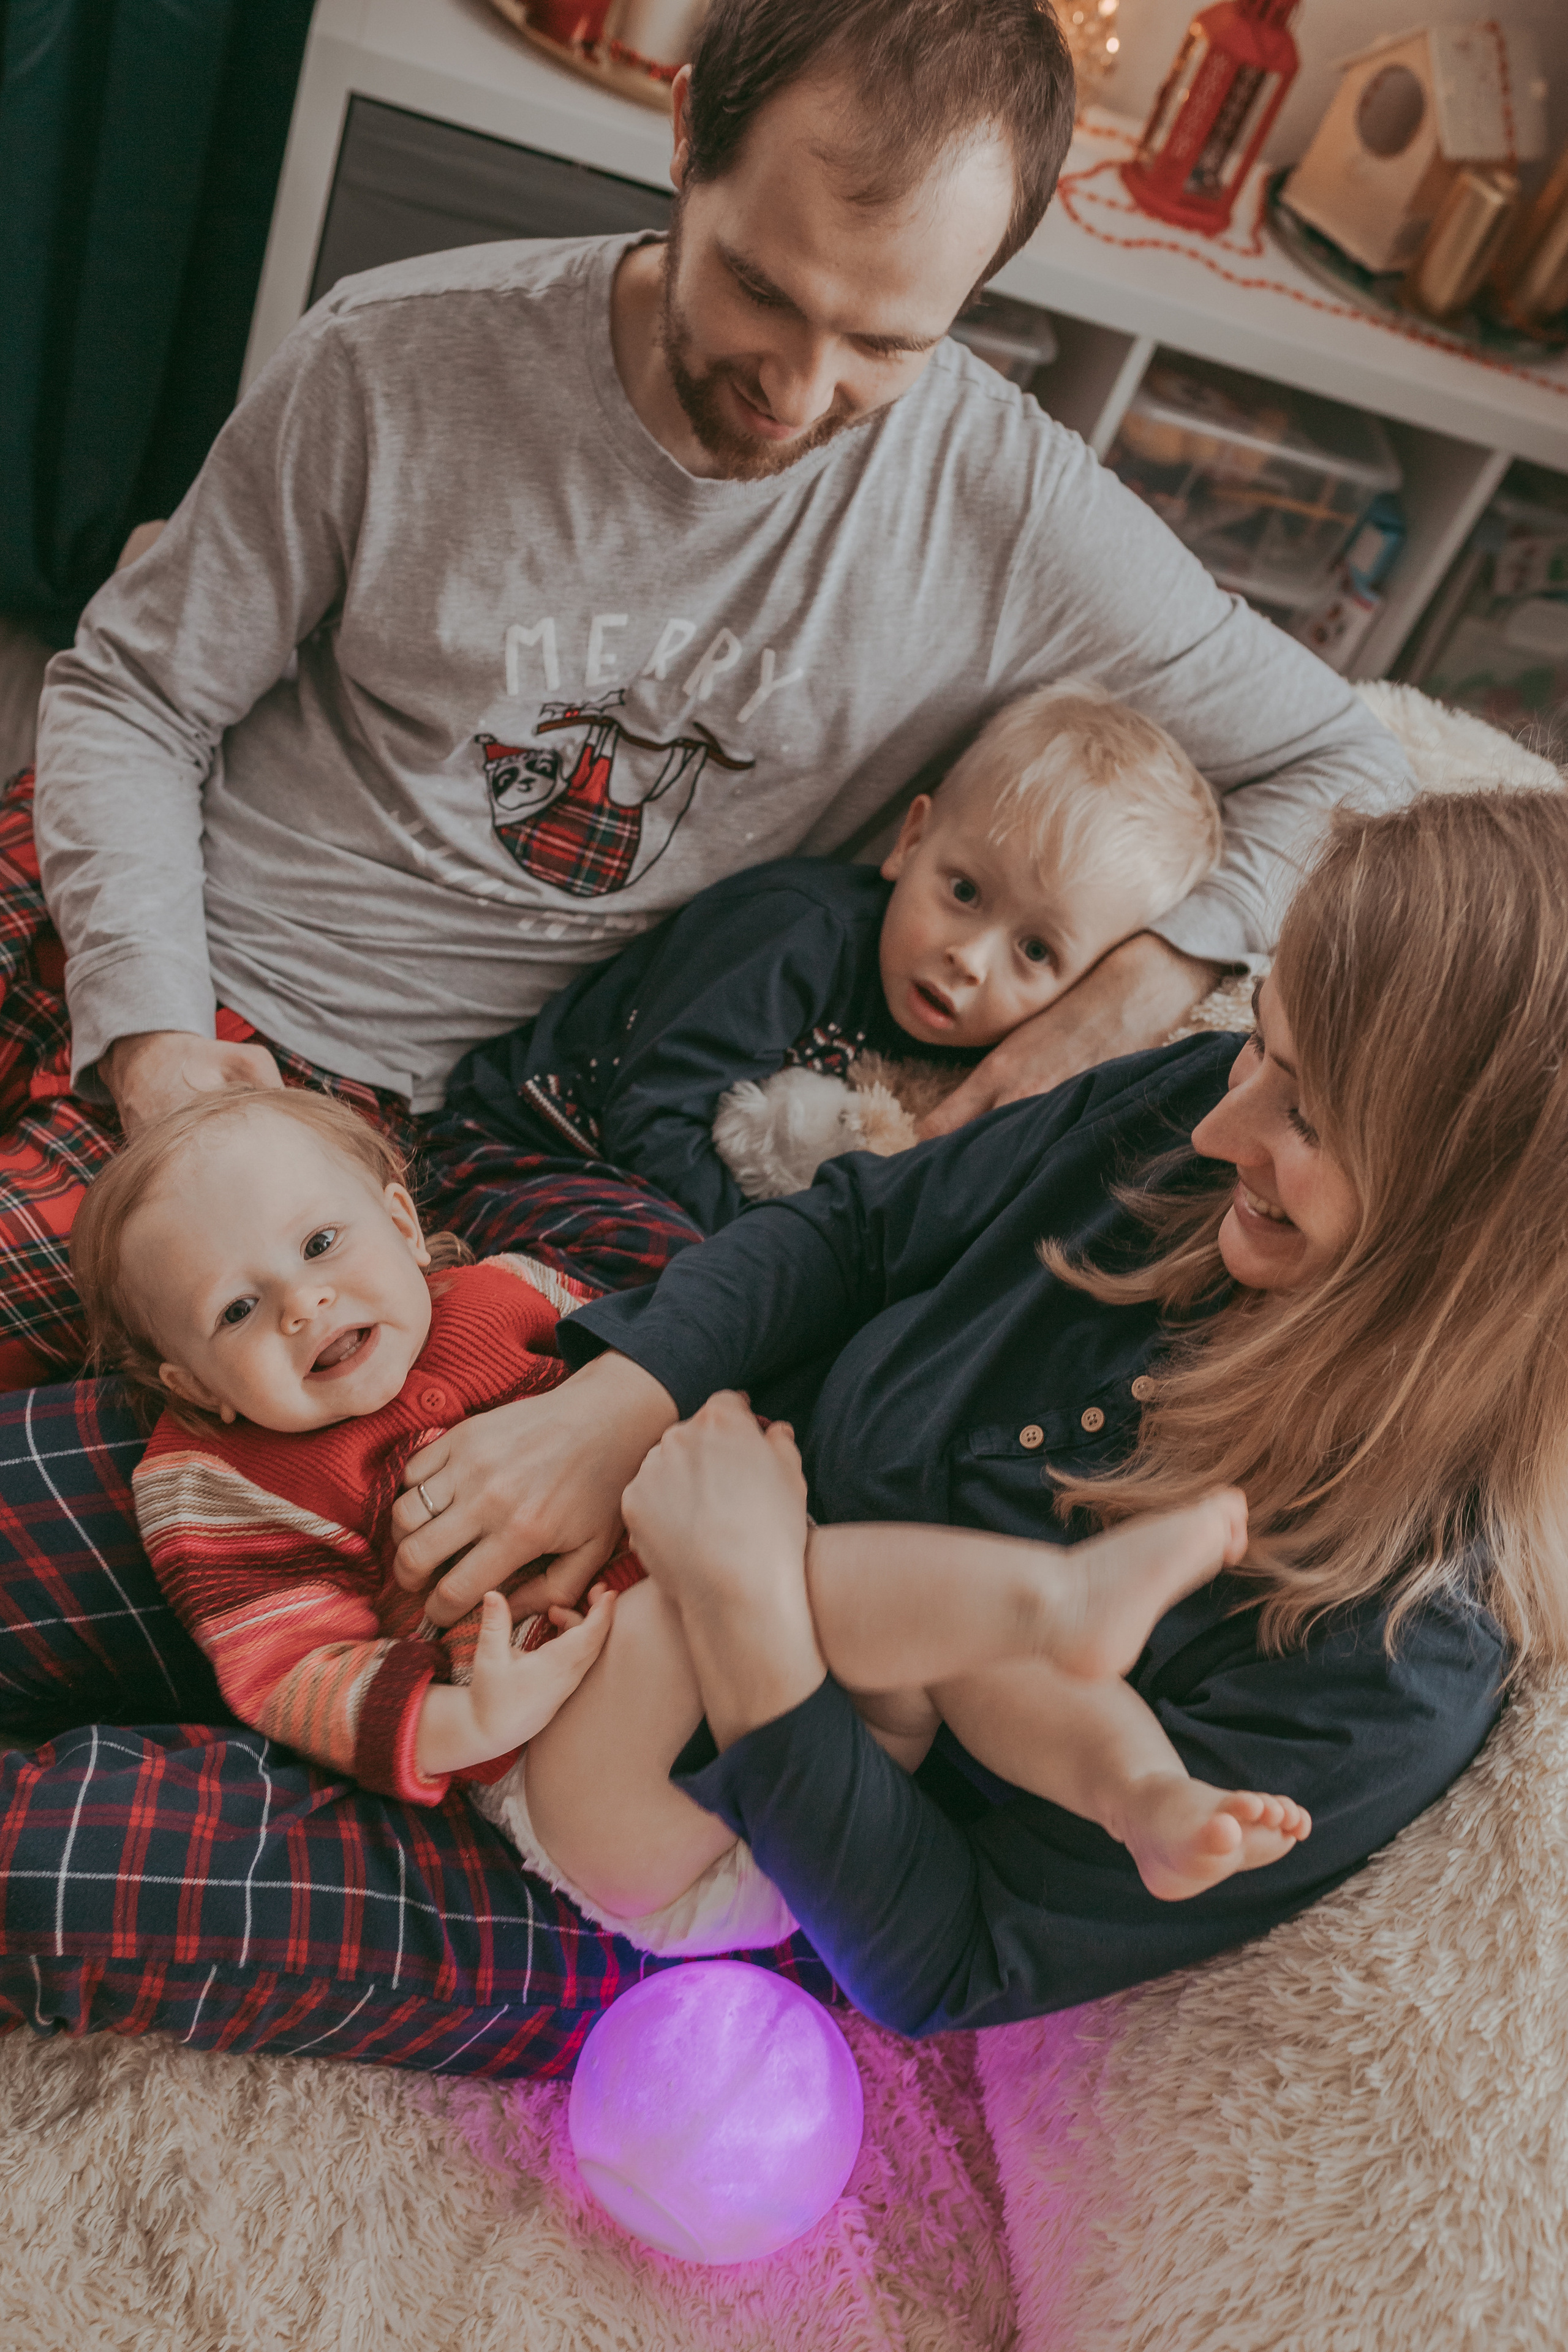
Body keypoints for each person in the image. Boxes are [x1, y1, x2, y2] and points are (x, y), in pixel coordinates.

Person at [0, 787, 1550, 2065]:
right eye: (1258, 1040)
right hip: (652, 1473)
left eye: (1304, 1116)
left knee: (61, 1862)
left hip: (686, 1836)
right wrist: (615, 1405)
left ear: (1468, 1230)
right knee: (40, 1509)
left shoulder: (1396, 1648)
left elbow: (946, 1951)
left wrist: (741, 1614)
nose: (1221, 1123)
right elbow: (855, 1232)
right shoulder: (1199, 1107)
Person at [12, 0, 1412, 1387]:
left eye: (882, 342)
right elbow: (132, 693)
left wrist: (1129, 989)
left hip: (513, 1112)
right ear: (688, 135)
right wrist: (154, 1044)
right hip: (204, 975)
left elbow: (1339, 762)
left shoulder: (1009, 506)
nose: (799, 395)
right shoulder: (392, 359)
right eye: (761, 289)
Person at [70, 1088, 1308, 1958]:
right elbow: (286, 1666)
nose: (303, 1305)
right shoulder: (216, 1478)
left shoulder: (515, 1299)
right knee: (712, 1595)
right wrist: (466, 1716)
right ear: (189, 1380)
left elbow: (670, 1400)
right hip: (596, 1808)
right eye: (237, 1312)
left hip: (832, 1771)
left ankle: (1139, 1793)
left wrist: (719, 1452)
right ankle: (1056, 1596)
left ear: (402, 1223)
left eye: (323, 1242)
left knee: (929, 1639)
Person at [439, 679, 1222, 1234]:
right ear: (910, 841)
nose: (970, 960)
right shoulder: (796, 935)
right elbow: (651, 1111)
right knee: (671, 1280)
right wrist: (768, 1256)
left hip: (650, 1183)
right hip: (529, 1138)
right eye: (964, 893)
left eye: (1037, 950)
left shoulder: (990, 1063)